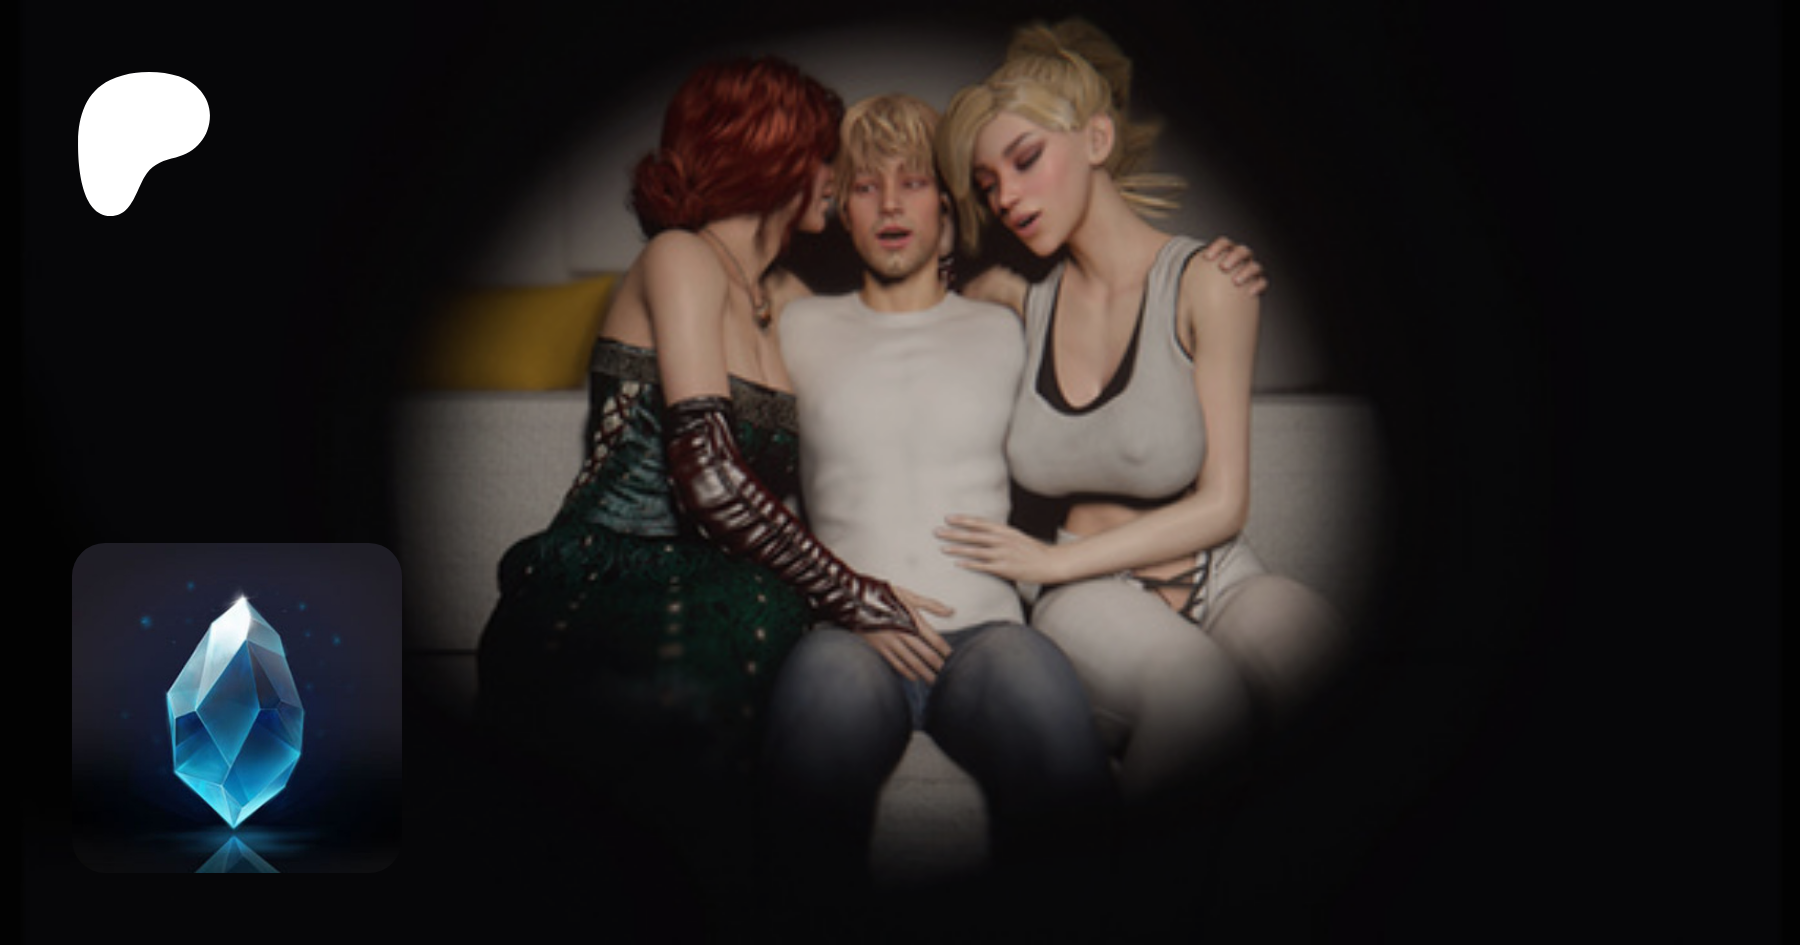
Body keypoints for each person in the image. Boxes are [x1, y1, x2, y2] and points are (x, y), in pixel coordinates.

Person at [474, 57, 938, 928]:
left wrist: (1005, 294)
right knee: (687, 705)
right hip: (619, 570)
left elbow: (900, 341)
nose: (833, 176)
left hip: (734, 579)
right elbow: (711, 477)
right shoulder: (680, 256)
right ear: (776, 153)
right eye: (823, 154)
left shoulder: (778, 296)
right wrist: (860, 596)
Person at [934, 19, 1346, 812]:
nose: (1005, 197)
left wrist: (1046, 562)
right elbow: (907, 295)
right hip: (1087, 591)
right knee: (1201, 697)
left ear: (1096, 139)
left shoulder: (1209, 282)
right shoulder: (1013, 302)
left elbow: (1224, 503)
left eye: (1025, 160)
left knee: (1317, 650)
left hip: (1220, 570)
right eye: (985, 184)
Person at [756, 93, 1119, 931]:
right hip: (848, 636)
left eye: (914, 182)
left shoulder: (1009, 319)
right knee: (803, 777)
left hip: (988, 636)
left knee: (1066, 767)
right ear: (838, 208)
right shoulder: (793, 321)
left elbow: (1128, 307)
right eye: (865, 186)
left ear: (948, 207)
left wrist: (1207, 271)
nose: (890, 204)